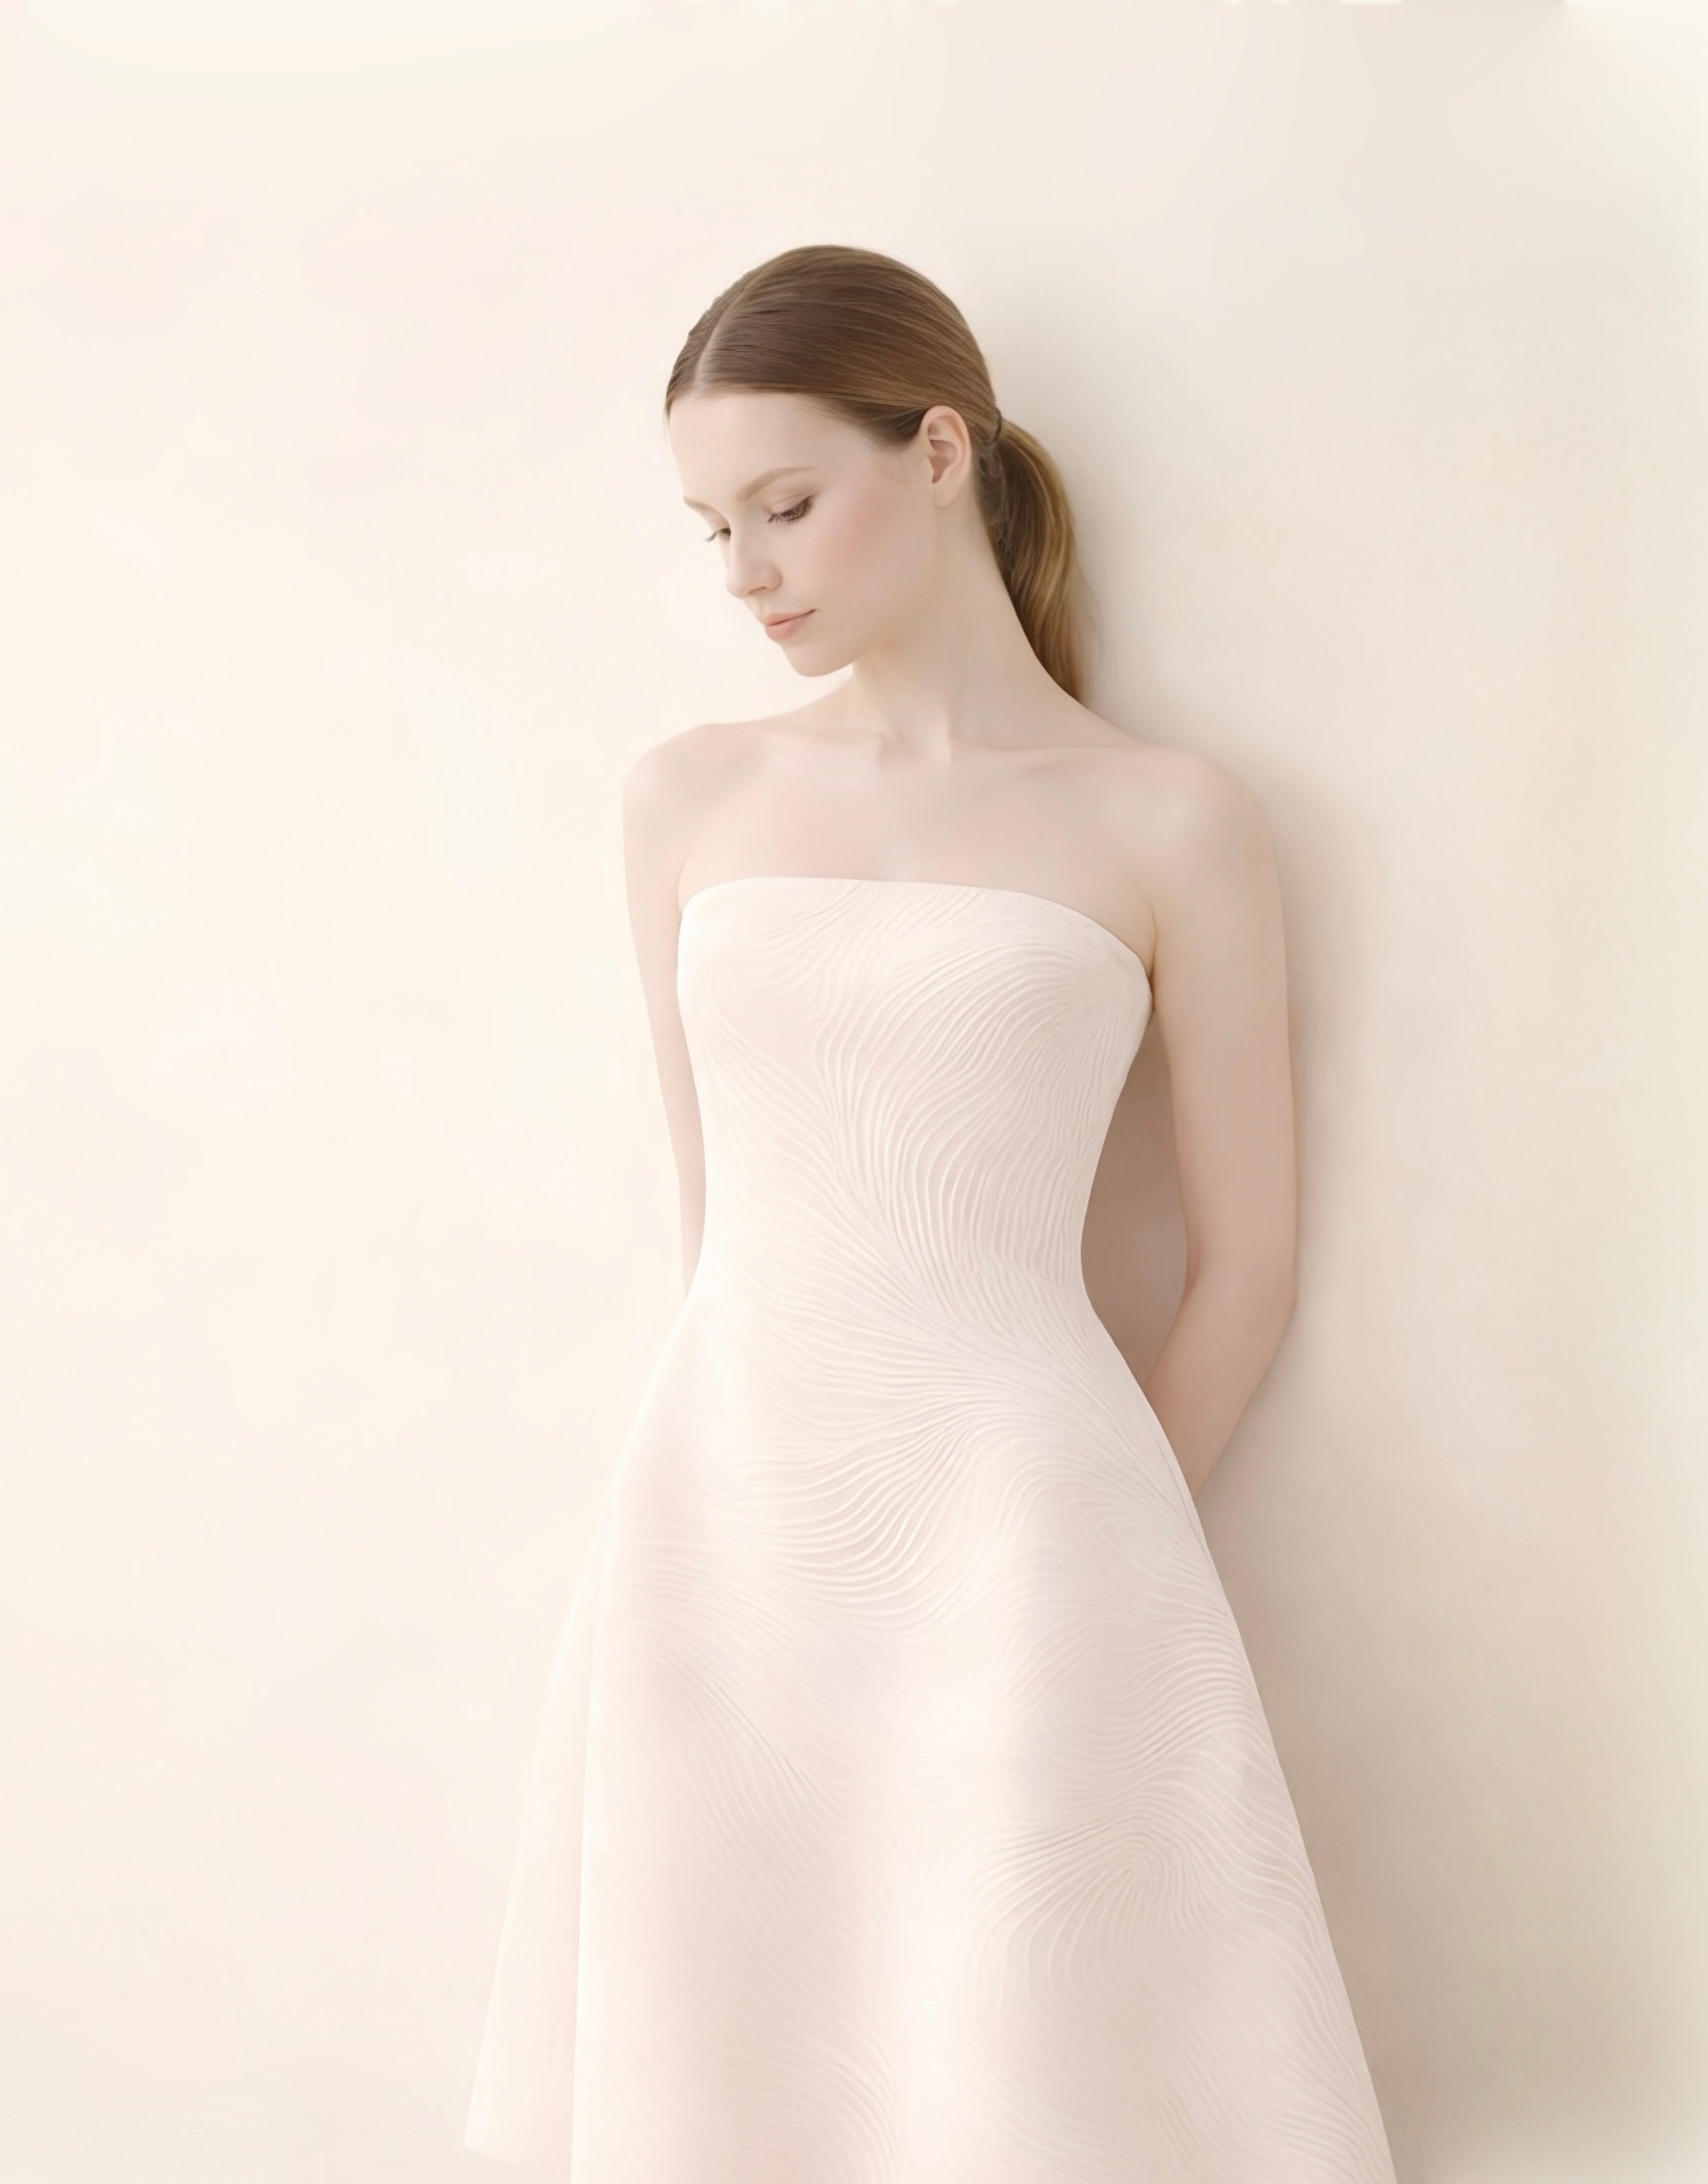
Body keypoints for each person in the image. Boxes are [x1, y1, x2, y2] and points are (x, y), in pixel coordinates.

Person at [461, 245, 1399, 2181]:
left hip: (1031, 1524)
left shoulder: (1168, 818)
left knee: (1007, 2038)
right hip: (726, 1510)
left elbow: (1246, 1262)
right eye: (713, 527)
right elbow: (716, 1218)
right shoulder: (684, 798)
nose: (745, 573)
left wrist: (1101, 1538)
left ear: (943, 451)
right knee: (725, 2036)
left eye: (786, 505)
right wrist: (751, 1478)